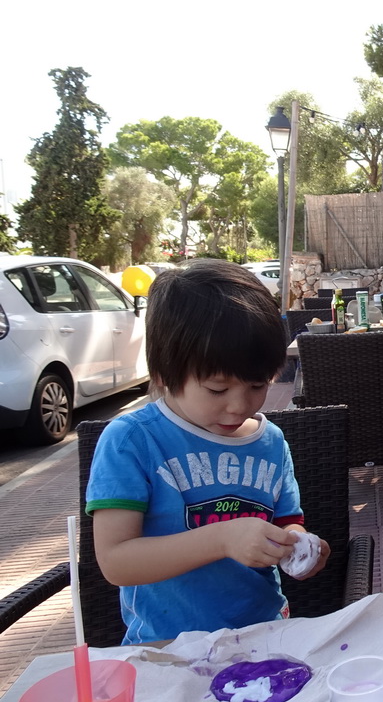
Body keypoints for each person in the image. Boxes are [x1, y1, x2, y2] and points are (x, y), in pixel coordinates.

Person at [85, 260, 330, 644]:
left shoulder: (270, 443)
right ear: (165, 374)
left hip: (264, 634)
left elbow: (286, 521)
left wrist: (299, 545)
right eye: (217, 389)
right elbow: (116, 562)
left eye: (256, 385)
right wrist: (223, 539)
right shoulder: (132, 441)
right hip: (168, 646)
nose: (239, 405)